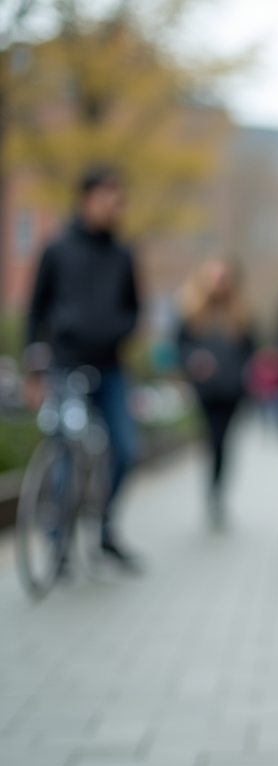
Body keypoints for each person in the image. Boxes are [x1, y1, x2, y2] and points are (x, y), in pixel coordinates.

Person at [25, 166, 143, 570]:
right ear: (88, 197)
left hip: (110, 368)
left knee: (126, 449)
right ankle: (58, 544)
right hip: (65, 365)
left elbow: (134, 308)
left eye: (119, 198)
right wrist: (34, 367)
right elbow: (35, 309)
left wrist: (116, 331)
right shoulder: (57, 250)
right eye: (110, 196)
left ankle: (104, 528)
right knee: (64, 450)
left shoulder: (123, 254)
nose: (116, 206)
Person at [176, 255, 255, 529]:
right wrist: (193, 360)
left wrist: (247, 375)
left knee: (224, 443)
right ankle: (211, 491)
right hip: (205, 391)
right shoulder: (191, 314)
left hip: (232, 391)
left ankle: (217, 493)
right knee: (211, 441)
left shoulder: (240, 315)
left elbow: (252, 351)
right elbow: (179, 347)